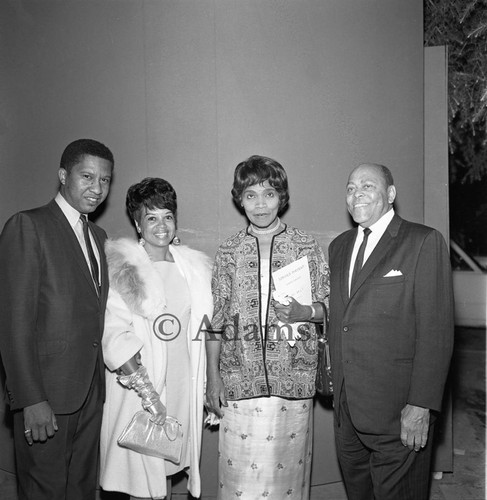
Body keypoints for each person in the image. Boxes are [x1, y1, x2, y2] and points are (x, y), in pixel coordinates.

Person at [206, 155, 330, 500]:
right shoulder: (229, 251)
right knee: (241, 479)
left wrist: (305, 311)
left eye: (269, 194)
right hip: (239, 380)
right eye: (250, 195)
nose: (260, 204)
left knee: (287, 479)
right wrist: (212, 378)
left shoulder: (305, 246)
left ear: (282, 197)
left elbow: (331, 307)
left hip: (293, 380)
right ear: (239, 198)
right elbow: (216, 321)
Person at [328, 163, 454, 500]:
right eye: (351, 187)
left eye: (368, 186)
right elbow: (344, 319)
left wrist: (421, 405)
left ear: (391, 194)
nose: (357, 194)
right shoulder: (339, 246)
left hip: (400, 414)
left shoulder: (422, 241)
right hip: (348, 412)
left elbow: (436, 332)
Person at [0, 138, 114, 499]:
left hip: (90, 393)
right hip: (45, 396)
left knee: (81, 489)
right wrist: (30, 399)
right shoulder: (27, 225)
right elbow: (13, 322)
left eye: (105, 180)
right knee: (43, 491)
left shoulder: (98, 235)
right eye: (87, 176)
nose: (97, 189)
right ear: (63, 175)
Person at [99, 177, 213, 500]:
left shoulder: (192, 267)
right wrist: (148, 393)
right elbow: (114, 334)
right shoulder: (125, 267)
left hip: (181, 384)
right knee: (139, 476)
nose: (161, 225)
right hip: (139, 388)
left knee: (163, 472)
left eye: (167, 216)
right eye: (151, 217)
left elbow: (203, 327)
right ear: (137, 223)